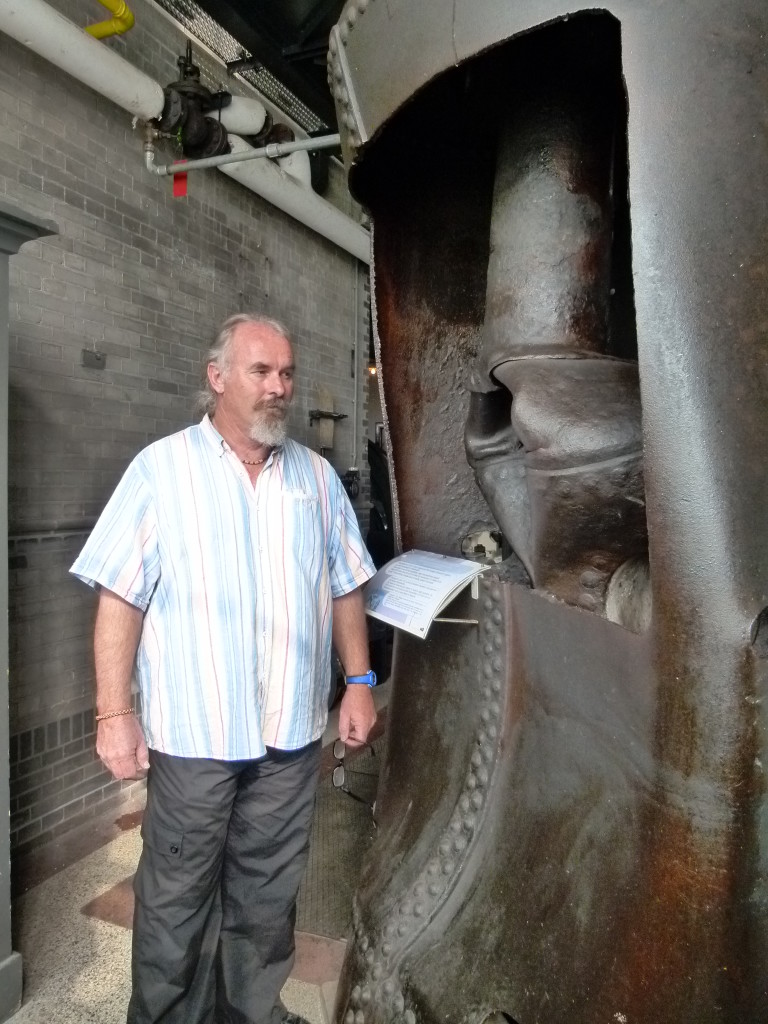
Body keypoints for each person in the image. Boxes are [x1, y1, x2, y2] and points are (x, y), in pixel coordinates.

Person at [70, 313, 378, 1024]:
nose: (279, 388)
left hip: (291, 738)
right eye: (260, 372)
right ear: (217, 378)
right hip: (194, 738)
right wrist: (114, 713)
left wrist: (359, 681)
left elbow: (345, 583)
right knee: (176, 901)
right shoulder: (161, 470)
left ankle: (250, 1013)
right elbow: (121, 595)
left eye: (287, 374)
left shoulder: (316, 479)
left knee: (267, 899)